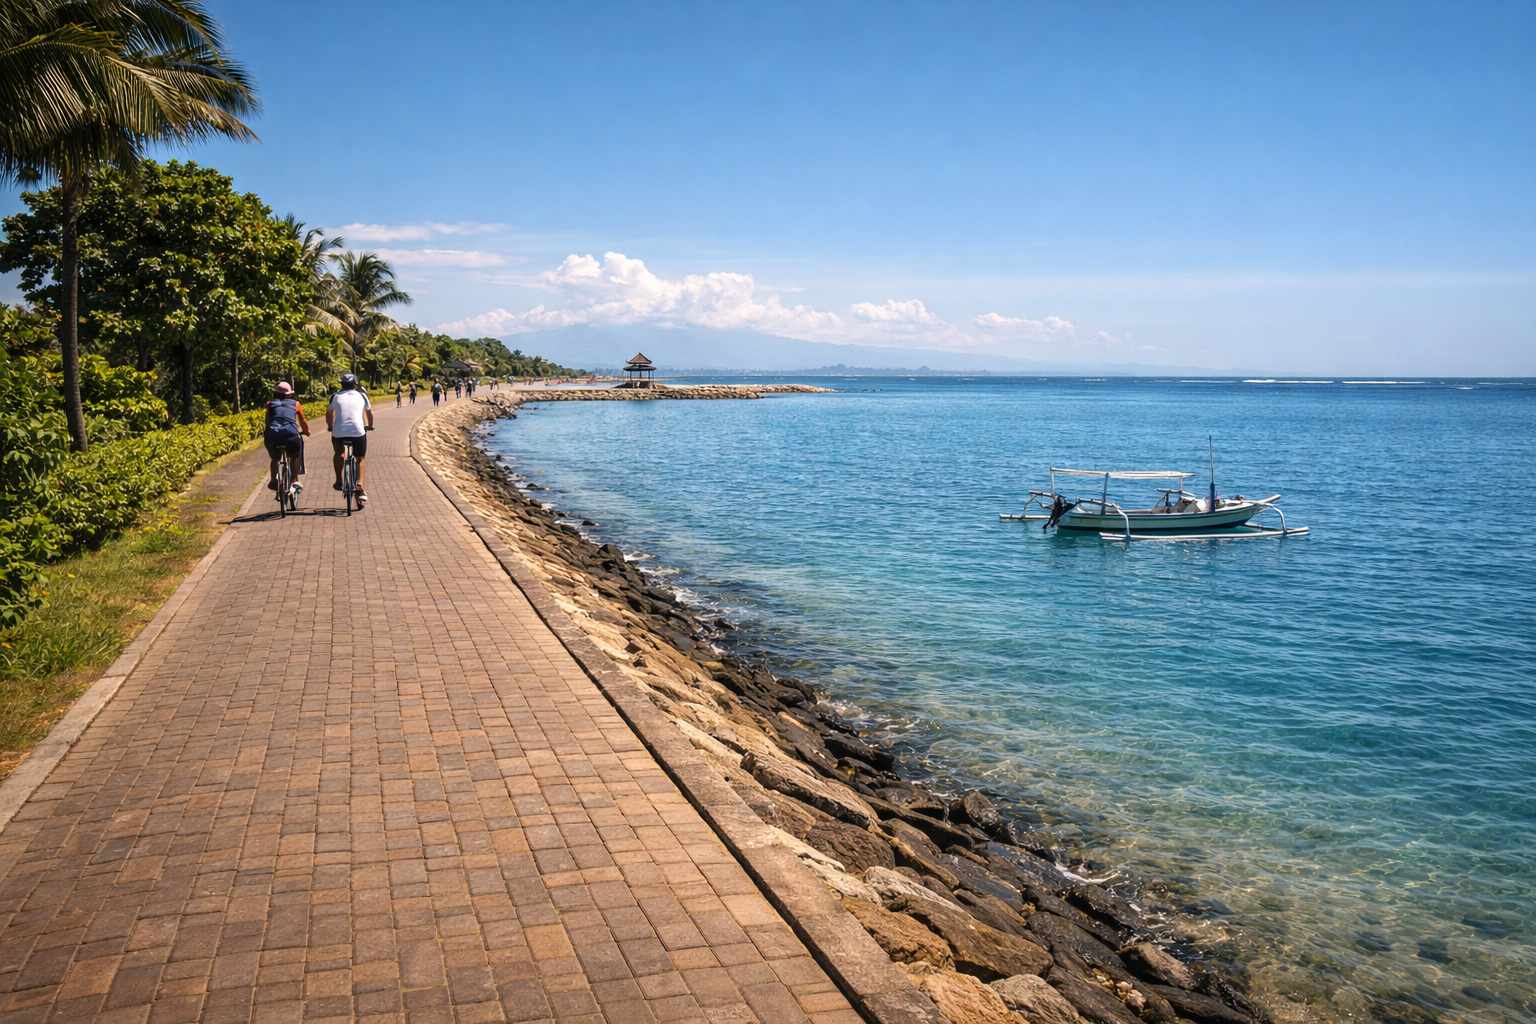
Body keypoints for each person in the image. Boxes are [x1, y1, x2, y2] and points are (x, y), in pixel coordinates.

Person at [327, 373, 374, 506]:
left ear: (341, 384)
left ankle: (338, 480)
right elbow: (369, 413)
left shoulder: (335, 396)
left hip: (338, 433)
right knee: (360, 458)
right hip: (358, 432)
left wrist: (330, 427)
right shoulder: (362, 395)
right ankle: (360, 483)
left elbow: (329, 413)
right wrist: (370, 426)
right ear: (355, 384)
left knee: (339, 453)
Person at [264, 382, 310, 492]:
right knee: (294, 455)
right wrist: (306, 431)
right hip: (290, 435)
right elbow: (302, 419)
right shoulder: (296, 404)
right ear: (289, 394)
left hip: (272, 435)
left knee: (275, 458)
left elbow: (268, 420)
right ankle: (294, 481)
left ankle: (273, 480)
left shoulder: (270, 404)